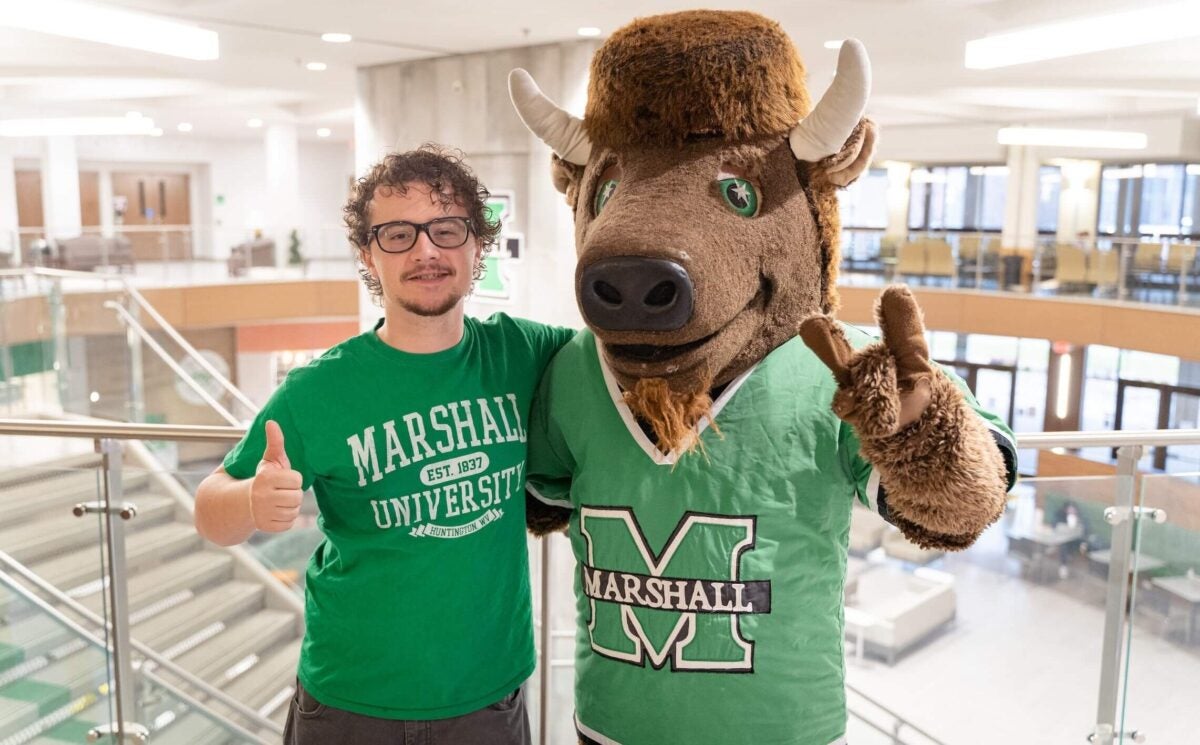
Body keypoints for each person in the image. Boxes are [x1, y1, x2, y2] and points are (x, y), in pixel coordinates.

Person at [194, 144, 574, 745]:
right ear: (369, 255)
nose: (426, 251)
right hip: (352, 703)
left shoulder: (527, 352)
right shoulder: (318, 390)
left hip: (486, 698)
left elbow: (629, 362)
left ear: (478, 244)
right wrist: (248, 502)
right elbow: (211, 510)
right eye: (398, 234)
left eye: (446, 229)